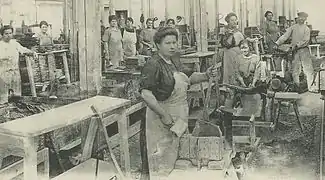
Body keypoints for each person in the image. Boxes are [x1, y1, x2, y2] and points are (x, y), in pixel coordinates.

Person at [139, 27, 218, 180]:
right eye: (167, 43)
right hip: (161, 119)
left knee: (178, 157)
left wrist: (206, 75)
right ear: (157, 45)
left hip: (179, 117)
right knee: (161, 161)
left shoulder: (174, 60)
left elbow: (188, 77)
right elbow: (145, 93)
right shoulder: (153, 64)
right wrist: (164, 115)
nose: (172, 46)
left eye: (174, 42)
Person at [274, 12, 316, 93]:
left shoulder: (307, 29)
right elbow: (285, 36)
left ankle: (310, 87)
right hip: (295, 51)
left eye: (303, 17)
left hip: (304, 50)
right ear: (298, 18)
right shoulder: (293, 28)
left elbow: (306, 40)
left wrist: (296, 45)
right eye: (300, 17)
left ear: (305, 19)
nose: (301, 19)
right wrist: (277, 43)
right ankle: (297, 86)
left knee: (308, 69)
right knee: (295, 70)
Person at [0, 25, 37, 103]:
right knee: (4, 96)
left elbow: (23, 49)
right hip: (3, 73)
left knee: (16, 94)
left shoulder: (14, 43)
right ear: (2, 34)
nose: (8, 35)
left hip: (15, 72)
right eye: (6, 33)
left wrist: (32, 52)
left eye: (10, 33)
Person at [220, 13, 245, 86]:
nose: (234, 22)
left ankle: (239, 82)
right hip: (228, 52)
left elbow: (243, 40)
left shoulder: (237, 30)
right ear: (228, 21)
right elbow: (226, 44)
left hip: (238, 51)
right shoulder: (224, 30)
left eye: (235, 20)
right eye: (232, 20)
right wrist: (230, 34)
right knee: (230, 69)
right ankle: (229, 84)